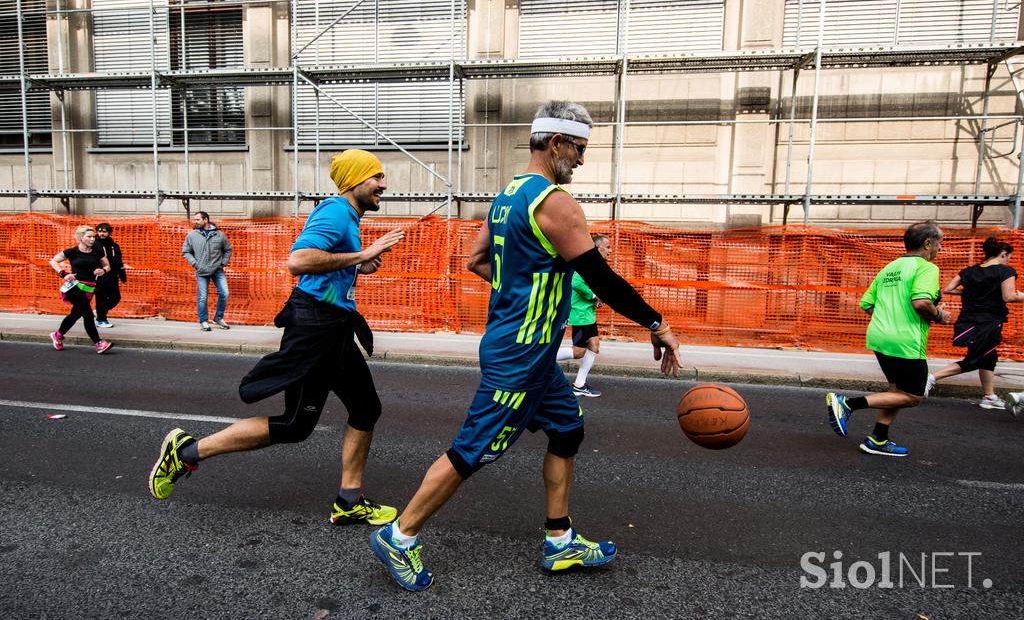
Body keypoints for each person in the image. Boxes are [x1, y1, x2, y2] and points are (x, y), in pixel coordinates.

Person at [369, 101, 684, 592]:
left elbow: (477, 260)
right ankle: (400, 534)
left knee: (568, 429)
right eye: (579, 149)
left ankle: (559, 541)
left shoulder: (507, 196)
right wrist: (656, 322)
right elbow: (600, 277)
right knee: (474, 450)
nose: (581, 160)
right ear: (556, 143)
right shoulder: (555, 203)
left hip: (527, 350)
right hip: (519, 352)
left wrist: (524, 284)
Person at [148, 149, 406, 529]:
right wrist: (361, 255)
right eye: (377, 177)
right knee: (294, 426)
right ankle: (185, 452)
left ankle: (349, 501)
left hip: (334, 327)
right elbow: (298, 261)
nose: (383, 184)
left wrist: (358, 263)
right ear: (355, 180)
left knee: (366, 409)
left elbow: (324, 266)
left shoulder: (348, 217)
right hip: (315, 329)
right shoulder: (336, 211)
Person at [825, 221, 950, 458]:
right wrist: (940, 315)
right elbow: (921, 302)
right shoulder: (926, 268)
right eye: (940, 243)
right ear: (927, 243)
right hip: (906, 341)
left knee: (896, 389)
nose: (940, 249)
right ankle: (848, 404)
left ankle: (878, 439)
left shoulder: (889, 268)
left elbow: (866, 303)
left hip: (880, 337)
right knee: (913, 396)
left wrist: (889, 320)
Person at [928, 237, 1024, 410]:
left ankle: (989, 397)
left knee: (989, 356)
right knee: (976, 359)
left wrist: (970, 293)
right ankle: (931, 378)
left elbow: (948, 289)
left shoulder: (969, 271)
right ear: (1003, 254)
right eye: (1008, 256)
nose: (1009, 260)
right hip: (989, 321)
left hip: (968, 319)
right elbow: (1009, 296)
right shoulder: (1005, 271)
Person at [556, 233, 611, 397]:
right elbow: (575, 281)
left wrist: (597, 298)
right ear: (597, 248)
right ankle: (541, 358)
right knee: (579, 351)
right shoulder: (588, 263)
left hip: (588, 313)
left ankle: (579, 385)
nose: (610, 251)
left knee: (594, 344)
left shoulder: (596, 264)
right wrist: (594, 296)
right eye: (607, 247)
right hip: (580, 314)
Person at [48, 225, 114, 354]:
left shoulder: (97, 251)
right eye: (89, 237)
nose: (92, 239)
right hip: (75, 287)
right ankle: (99, 343)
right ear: (80, 238)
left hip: (89, 289)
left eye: (93, 237)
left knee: (75, 314)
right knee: (88, 315)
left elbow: (107, 266)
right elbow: (53, 261)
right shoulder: (72, 251)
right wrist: (64, 274)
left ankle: (58, 335)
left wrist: (103, 271)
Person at [182, 211, 232, 331]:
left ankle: (218, 318)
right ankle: (203, 321)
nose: (195, 222)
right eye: (195, 219)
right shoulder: (192, 235)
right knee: (203, 297)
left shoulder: (219, 235)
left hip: (217, 270)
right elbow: (186, 251)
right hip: (201, 270)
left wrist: (223, 263)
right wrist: (195, 263)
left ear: (206, 220)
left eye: (198, 219)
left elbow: (228, 250)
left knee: (225, 293)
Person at [94, 222, 127, 328]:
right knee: (101, 298)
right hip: (100, 276)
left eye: (104, 231)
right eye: (99, 231)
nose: (101, 234)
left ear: (109, 233)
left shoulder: (114, 246)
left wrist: (122, 274)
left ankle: (100, 311)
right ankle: (101, 319)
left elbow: (118, 260)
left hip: (112, 275)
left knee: (116, 297)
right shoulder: (94, 244)